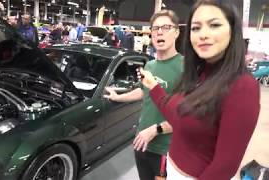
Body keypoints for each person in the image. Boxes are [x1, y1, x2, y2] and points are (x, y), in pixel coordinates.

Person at [138, 1, 260, 179]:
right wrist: (153, 87)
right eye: (196, 28)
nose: (203, 34)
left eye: (215, 25)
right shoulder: (197, 72)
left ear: (233, 30)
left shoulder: (243, 86)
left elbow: (225, 166)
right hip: (170, 170)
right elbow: (178, 116)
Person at [104, 10, 183, 180]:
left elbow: (186, 116)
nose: (159, 32)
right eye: (155, 28)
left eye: (166, 27)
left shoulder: (185, 68)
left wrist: (155, 130)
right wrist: (118, 97)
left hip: (165, 150)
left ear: (176, 32)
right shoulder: (150, 66)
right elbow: (142, 91)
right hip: (142, 142)